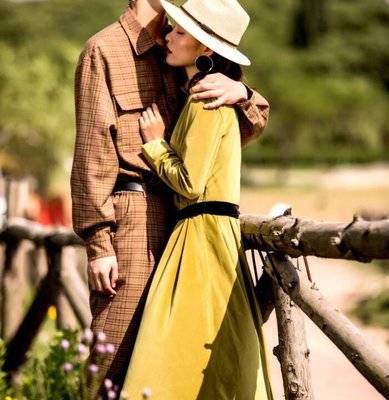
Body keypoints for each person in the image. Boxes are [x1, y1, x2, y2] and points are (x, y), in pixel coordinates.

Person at [70, 0, 270, 396]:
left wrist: (242, 92)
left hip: (190, 227)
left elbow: (242, 127)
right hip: (134, 219)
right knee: (112, 360)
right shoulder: (105, 49)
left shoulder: (187, 42)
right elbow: (92, 153)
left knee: (180, 359)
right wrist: (99, 243)